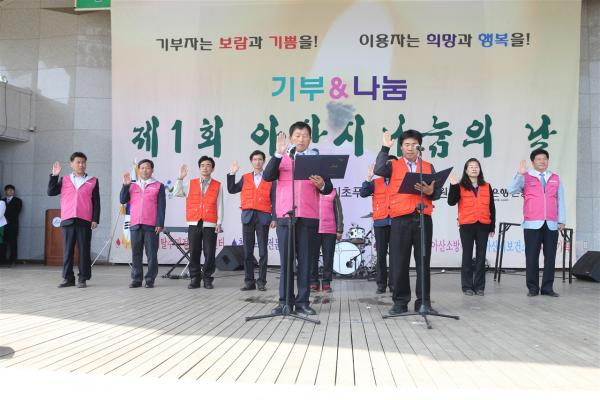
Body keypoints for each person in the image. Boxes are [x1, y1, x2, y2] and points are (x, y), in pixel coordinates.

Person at [263, 121, 333, 316]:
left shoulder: (316, 161)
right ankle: (284, 302)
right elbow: (268, 176)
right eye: (297, 136)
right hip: (286, 217)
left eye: (305, 136)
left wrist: (321, 185)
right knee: (286, 262)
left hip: (309, 217)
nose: (301, 139)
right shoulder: (282, 158)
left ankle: (302, 302)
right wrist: (278, 154)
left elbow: (328, 188)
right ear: (291, 138)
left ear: (310, 139)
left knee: (306, 263)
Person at [374, 130, 442, 315]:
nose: (410, 148)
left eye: (414, 145)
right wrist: (385, 147)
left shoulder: (428, 166)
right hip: (400, 219)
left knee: (423, 262)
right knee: (399, 262)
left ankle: (424, 302)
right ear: (401, 147)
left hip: (423, 218)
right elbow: (378, 170)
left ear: (420, 147)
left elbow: (436, 192)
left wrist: (430, 192)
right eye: (406, 145)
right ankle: (400, 302)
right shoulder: (392, 165)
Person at [508, 149, 565, 297]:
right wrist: (519, 174)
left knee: (550, 257)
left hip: (551, 223)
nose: (542, 161)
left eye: (544, 158)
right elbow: (511, 190)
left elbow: (561, 200)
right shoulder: (526, 177)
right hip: (532, 223)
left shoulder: (555, 178)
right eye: (538, 159)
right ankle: (532, 288)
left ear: (548, 161)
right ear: (533, 162)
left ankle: (547, 288)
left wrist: (561, 220)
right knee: (532, 256)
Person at [47, 152, 100, 288]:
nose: (81, 165)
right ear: (71, 164)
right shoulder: (65, 179)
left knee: (84, 250)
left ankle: (83, 278)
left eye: (83, 162)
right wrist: (54, 176)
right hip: (68, 219)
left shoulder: (93, 180)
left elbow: (96, 202)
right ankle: (68, 278)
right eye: (78, 162)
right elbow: (51, 192)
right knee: (68, 250)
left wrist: (95, 219)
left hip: (84, 219)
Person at [227, 150, 276, 291]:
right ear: (251, 162)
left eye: (260, 159)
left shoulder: (270, 179)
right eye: (255, 159)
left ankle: (261, 282)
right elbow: (232, 189)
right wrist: (232, 173)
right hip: (248, 217)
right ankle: (249, 282)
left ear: (264, 161)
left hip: (263, 217)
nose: (257, 162)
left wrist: (274, 218)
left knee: (263, 252)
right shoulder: (245, 177)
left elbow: (275, 200)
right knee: (247, 251)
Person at [447, 158, 496, 296]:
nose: (474, 168)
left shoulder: (486, 186)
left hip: (483, 225)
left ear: (480, 169)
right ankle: (467, 286)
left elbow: (492, 207)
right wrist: (453, 186)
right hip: (467, 225)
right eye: (471, 166)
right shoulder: (460, 185)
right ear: (466, 170)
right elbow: (451, 202)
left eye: (476, 166)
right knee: (467, 256)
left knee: (481, 256)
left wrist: (492, 226)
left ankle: (480, 287)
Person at [174, 156, 223, 289]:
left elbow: (219, 204)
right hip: (194, 222)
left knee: (209, 252)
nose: (205, 168)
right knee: (194, 252)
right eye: (202, 165)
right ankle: (195, 278)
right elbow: (177, 193)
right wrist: (180, 178)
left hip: (210, 223)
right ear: (199, 168)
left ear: (212, 168)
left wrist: (219, 222)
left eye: (208, 165)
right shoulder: (191, 183)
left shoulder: (218, 185)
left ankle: (207, 278)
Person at [120, 159, 166, 288]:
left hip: (151, 225)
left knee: (151, 254)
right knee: (136, 253)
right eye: (142, 168)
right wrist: (125, 186)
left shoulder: (158, 185)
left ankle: (150, 279)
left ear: (152, 170)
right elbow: (122, 200)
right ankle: (136, 279)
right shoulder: (132, 185)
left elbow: (161, 206)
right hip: (135, 224)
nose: (145, 170)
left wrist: (159, 223)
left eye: (147, 168)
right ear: (138, 170)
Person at [359, 157, 397, 294]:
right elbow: (363, 193)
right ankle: (381, 284)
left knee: (395, 255)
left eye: (392, 164)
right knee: (381, 254)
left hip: (397, 221)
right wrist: (368, 178)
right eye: (386, 164)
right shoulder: (376, 182)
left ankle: (394, 284)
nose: (388, 167)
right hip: (380, 222)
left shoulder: (400, 182)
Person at [310, 189, 343, 293]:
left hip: (329, 230)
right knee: (312, 258)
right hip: (313, 230)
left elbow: (338, 211)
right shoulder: (310, 191)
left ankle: (326, 282)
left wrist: (339, 229)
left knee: (328, 258)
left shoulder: (333, 192)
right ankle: (313, 282)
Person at [0, 185, 22, 265]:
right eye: (9, 190)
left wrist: (6, 218)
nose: (11, 191)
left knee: (13, 242)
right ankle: (2, 259)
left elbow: (16, 212)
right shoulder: (2, 201)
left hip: (13, 225)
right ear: (5, 191)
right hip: (3, 226)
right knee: (3, 243)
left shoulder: (18, 201)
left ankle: (12, 260)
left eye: (12, 190)